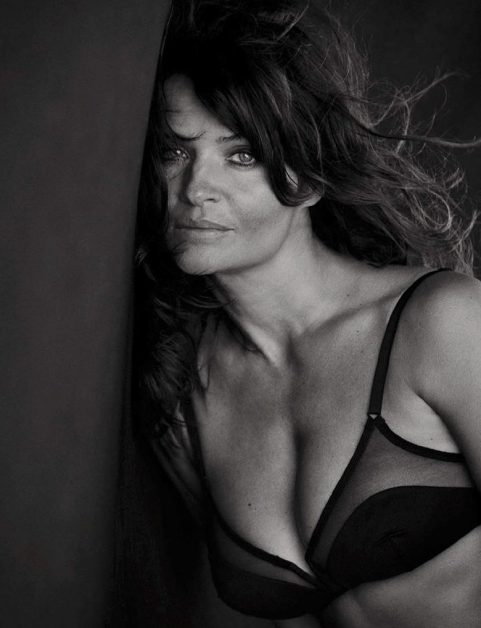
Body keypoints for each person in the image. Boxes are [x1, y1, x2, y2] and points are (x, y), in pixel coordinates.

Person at [134, 1, 481, 625]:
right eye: (173, 153)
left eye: (241, 154)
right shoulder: (185, 396)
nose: (195, 190)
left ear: (309, 176)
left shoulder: (441, 321)